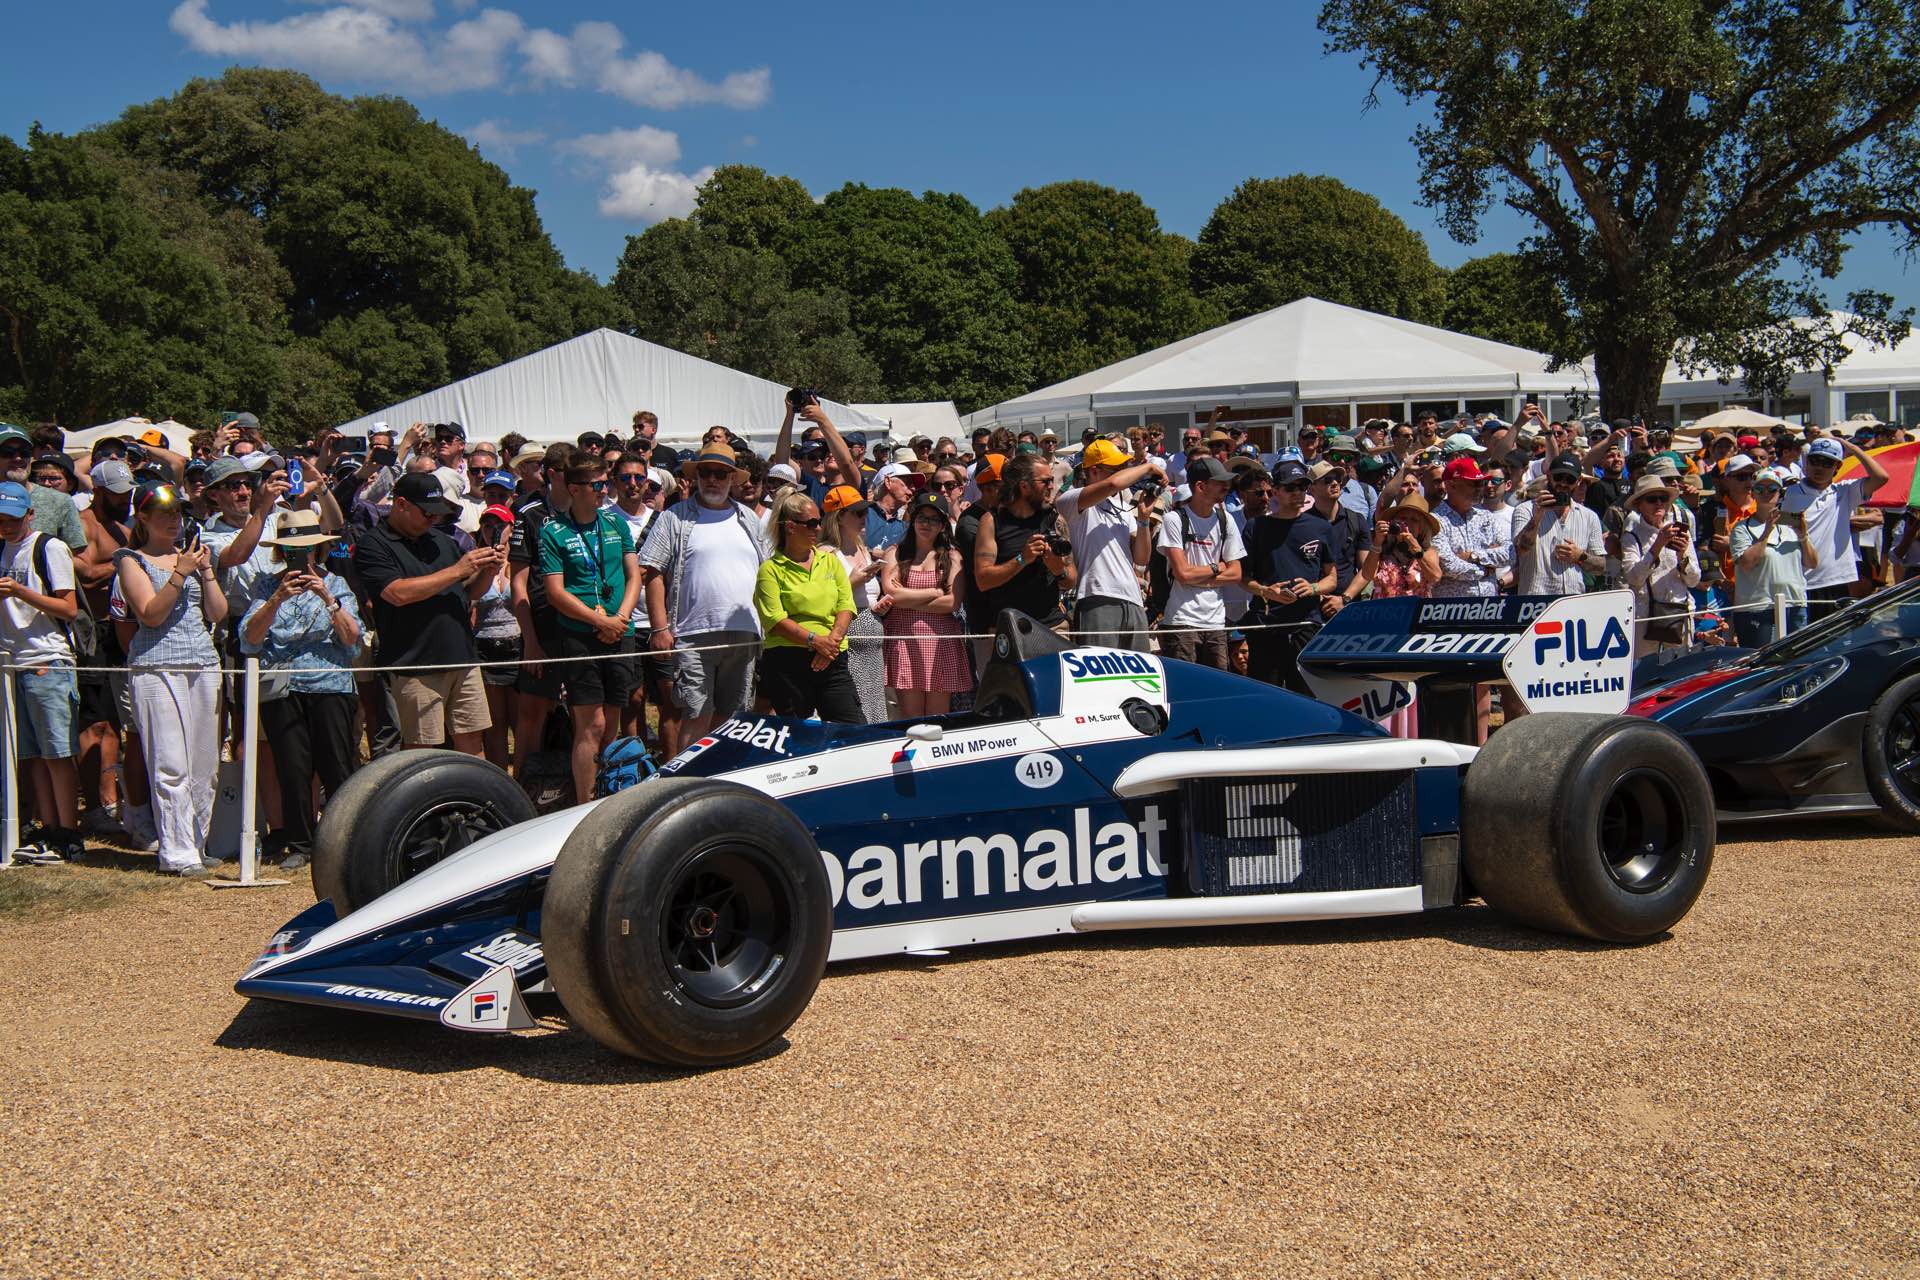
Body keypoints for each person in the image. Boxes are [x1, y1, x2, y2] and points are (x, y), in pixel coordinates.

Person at [113, 482, 228, 877]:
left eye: (177, 512)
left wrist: (206, 572)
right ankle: (177, 852)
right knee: (170, 762)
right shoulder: (130, 559)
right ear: (143, 518)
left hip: (202, 663)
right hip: (156, 666)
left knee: (205, 764)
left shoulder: (191, 558)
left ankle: (197, 842)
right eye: (163, 513)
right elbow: (150, 614)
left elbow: (218, 614)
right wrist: (180, 573)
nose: (173, 520)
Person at [239, 509, 363, 870]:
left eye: (305, 549)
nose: (299, 556)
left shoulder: (336, 583)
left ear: (317, 550)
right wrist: (277, 599)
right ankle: (300, 842)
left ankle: (346, 840)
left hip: (331, 685)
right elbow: (249, 638)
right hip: (283, 688)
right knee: (292, 768)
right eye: (292, 550)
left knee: (336, 764)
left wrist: (326, 597)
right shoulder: (267, 586)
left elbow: (352, 638)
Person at [352, 471, 501, 754]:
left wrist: (488, 571)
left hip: (461, 657)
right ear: (401, 504)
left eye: (437, 513)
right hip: (416, 663)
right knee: (421, 748)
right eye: (427, 513)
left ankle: (474, 786)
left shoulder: (441, 540)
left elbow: (469, 592)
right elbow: (396, 593)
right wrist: (458, 570)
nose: (433, 519)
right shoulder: (373, 544)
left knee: (472, 741)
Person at [639, 441, 772, 744]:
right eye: (706, 473)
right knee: (696, 715)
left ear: (732, 479)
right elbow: (653, 571)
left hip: (745, 631)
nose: (712, 479)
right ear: (696, 476)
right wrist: (659, 628)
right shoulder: (674, 516)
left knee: (734, 718)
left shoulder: (748, 518)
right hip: (692, 632)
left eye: (720, 474)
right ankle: (691, 773)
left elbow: (768, 571)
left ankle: (723, 772)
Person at [539, 459, 642, 802]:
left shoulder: (615, 523)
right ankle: (584, 805)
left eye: (605, 483)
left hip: (620, 630)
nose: (605, 491)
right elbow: (555, 593)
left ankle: (608, 795)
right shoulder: (554, 531)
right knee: (591, 724)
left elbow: (634, 576)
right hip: (580, 635)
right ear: (574, 489)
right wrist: (600, 622)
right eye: (597, 485)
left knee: (611, 723)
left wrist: (620, 619)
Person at [0, 481, 84, 861]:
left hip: (48, 659)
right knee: (32, 755)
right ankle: (48, 829)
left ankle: (69, 833)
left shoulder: (48, 547)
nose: (6, 526)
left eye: (13, 519)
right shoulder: (2, 549)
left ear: (30, 515)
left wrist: (19, 591)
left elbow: (68, 608)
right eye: (1, 520)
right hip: (13, 663)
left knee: (57, 753)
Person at [753, 489, 859, 722]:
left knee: (852, 728)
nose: (818, 528)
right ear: (790, 527)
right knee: (796, 734)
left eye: (819, 522)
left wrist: (830, 644)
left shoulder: (830, 561)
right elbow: (775, 620)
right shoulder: (770, 570)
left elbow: (846, 605)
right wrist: (816, 641)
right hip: (788, 662)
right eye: (811, 524)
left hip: (832, 657)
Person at [1241, 460, 1336, 694]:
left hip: (1306, 625)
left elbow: (1332, 578)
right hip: (1267, 625)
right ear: (1275, 491)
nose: (1297, 492)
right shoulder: (1256, 527)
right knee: (1265, 696)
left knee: (1307, 697)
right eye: (1290, 487)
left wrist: (1313, 588)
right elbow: (1242, 578)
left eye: (1302, 487)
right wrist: (1266, 591)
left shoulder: (1321, 527)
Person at [1059, 439, 1160, 650]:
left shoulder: (1122, 507)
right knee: (1102, 670)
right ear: (1094, 471)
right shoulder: (1072, 499)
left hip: (1133, 599)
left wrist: (1143, 519)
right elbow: (1113, 484)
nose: (1122, 473)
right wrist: (1148, 467)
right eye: (1116, 468)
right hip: (1097, 598)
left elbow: (1141, 559)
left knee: (1139, 669)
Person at [880, 492, 969, 717]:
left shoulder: (952, 557)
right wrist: (935, 592)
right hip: (904, 640)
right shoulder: (895, 552)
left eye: (933, 519)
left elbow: (952, 602)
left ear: (943, 525)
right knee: (912, 721)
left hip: (941, 641)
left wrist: (906, 600)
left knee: (937, 720)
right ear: (913, 520)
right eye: (922, 518)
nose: (926, 524)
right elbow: (891, 593)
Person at [1154, 456, 1246, 668]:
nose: (1226, 486)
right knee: (1185, 684)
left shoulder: (1226, 519)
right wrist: (1216, 567)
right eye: (1220, 482)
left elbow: (1236, 573)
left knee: (1218, 685)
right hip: (1182, 621)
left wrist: (1197, 577)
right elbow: (1182, 574)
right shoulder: (1174, 519)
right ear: (1201, 486)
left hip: (1216, 622)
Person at [1782, 434, 1888, 618]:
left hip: (1836, 579)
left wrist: (1852, 448)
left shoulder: (1845, 491)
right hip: (1799, 580)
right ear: (1806, 461)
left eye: (1827, 463)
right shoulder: (1788, 494)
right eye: (1815, 461)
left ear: (1838, 466)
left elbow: (1881, 477)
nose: (1819, 467)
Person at [971, 454, 1075, 640]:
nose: (1052, 486)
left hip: (1053, 626)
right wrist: (1022, 559)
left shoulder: (1055, 520)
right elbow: (983, 580)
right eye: (1046, 481)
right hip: (1009, 629)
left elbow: (1071, 581)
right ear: (1024, 486)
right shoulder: (992, 521)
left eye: (1052, 480)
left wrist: (1059, 570)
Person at [821, 484, 891, 723]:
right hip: (846, 636)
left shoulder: (861, 547)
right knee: (855, 706)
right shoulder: (826, 552)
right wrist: (852, 582)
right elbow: (822, 598)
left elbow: (867, 596)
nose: (865, 517)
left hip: (871, 637)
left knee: (874, 705)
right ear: (840, 516)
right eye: (858, 512)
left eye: (865, 512)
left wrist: (878, 607)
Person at [1731, 468, 1816, 644]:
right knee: (1759, 658)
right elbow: (1747, 563)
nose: (1766, 493)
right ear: (1752, 493)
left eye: (1772, 489)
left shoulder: (1792, 526)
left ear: (1780, 494)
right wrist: (1766, 531)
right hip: (1757, 607)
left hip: (1794, 604)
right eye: (1760, 489)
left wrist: (1803, 537)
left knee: (1795, 656)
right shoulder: (1741, 528)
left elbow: (1812, 563)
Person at [1620, 477, 1701, 656]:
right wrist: (1658, 545)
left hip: (1680, 612)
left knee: (1681, 668)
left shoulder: (1680, 532)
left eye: (1662, 499)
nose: (1658, 503)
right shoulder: (1631, 537)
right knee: (1645, 669)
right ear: (1639, 505)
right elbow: (1634, 578)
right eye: (1651, 499)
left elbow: (1694, 580)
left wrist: (1682, 556)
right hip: (1646, 616)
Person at [1511, 455, 1607, 595]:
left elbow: (1600, 567)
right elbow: (1520, 550)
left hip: (1572, 599)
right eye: (1558, 477)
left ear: (1578, 481)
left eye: (1570, 479)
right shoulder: (1525, 510)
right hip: (1536, 599)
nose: (1563, 483)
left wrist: (1580, 556)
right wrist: (1538, 515)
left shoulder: (1589, 516)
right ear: (1549, 476)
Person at [470, 504, 520, 770]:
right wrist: (488, 568)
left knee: (520, 720)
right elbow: (470, 603)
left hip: (517, 644)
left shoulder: (521, 561)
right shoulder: (474, 562)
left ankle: (525, 778)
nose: (493, 530)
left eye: (500, 525)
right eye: (487, 525)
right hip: (485, 645)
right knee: (494, 723)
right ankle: (499, 776)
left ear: (511, 528)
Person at [1431, 457, 1510, 599]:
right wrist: (1485, 571)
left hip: (1489, 605)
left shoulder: (1485, 516)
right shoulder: (1436, 520)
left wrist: (1473, 556)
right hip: (1454, 608)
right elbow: (1448, 565)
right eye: (1474, 483)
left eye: (1481, 483)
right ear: (1452, 485)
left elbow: (1509, 553)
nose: (1480, 488)